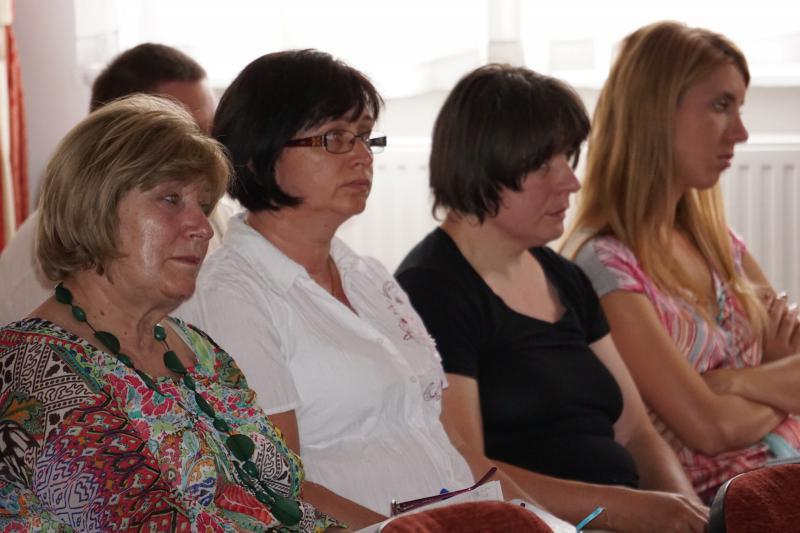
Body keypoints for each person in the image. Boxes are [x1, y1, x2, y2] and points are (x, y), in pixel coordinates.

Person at [177, 50, 551, 526]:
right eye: (334, 138)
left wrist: (542, 520)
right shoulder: (231, 294)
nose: (361, 156)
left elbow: (448, 441)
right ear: (257, 153)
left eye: (366, 136)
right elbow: (276, 487)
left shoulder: (368, 275)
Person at [0, 95, 338, 531]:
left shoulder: (197, 349)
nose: (202, 227)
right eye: (171, 199)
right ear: (94, 205)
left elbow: (288, 496)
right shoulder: (30, 370)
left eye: (204, 205)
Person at [395, 64, 708, 532]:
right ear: (484, 164)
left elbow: (637, 434)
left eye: (568, 157)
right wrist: (631, 509)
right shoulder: (431, 290)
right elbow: (467, 470)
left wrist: (689, 510)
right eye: (544, 164)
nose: (571, 181)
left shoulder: (565, 276)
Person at [563, 21, 800, 502]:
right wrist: (781, 391)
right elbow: (708, 428)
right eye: (720, 105)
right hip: (733, 498)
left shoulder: (719, 244)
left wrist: (731, 383)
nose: (741, 132)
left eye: (739, 107)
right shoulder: (605, 267)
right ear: (655, 113)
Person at [0, 43, 241, 325]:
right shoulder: (49, 262)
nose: (205, 147)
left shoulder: (218, 212)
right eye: (184, 131)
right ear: (115, 141)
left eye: (210, 132)